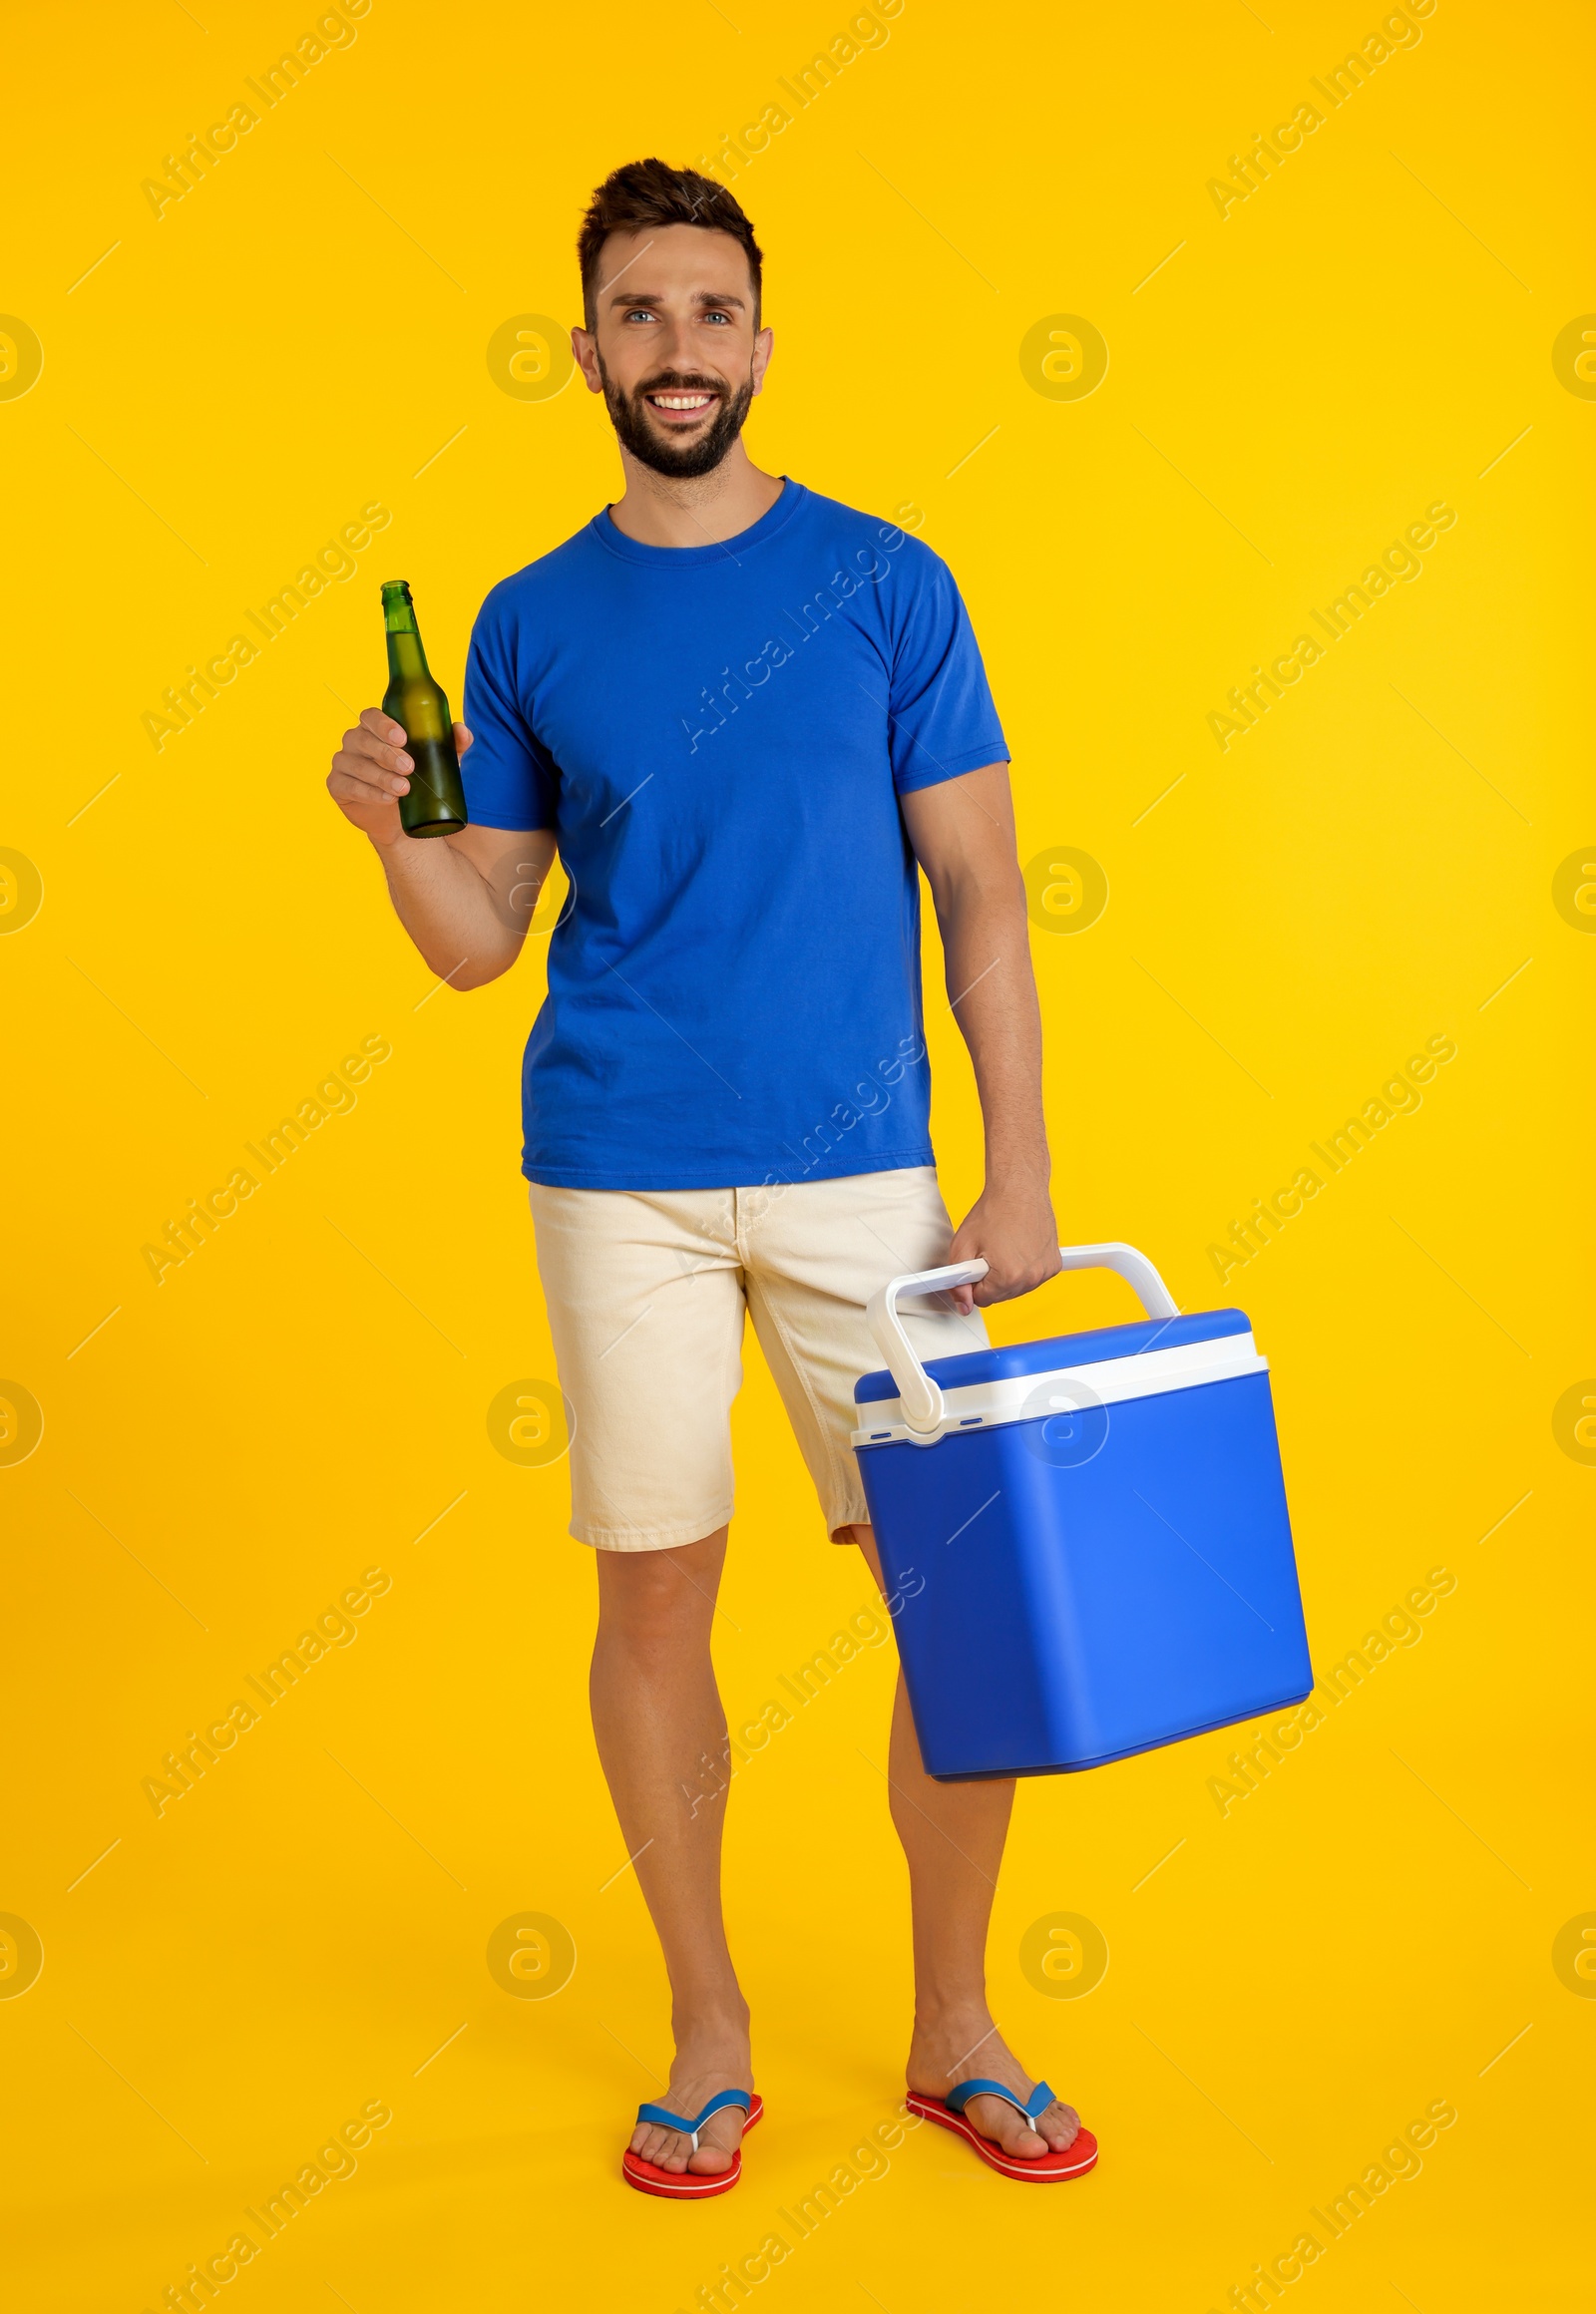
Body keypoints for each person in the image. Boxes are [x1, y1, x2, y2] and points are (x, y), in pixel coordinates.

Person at [327, 157, 1092, 2194]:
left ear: (761, 339)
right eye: (639, 316)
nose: (679, 350)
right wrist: (388, 830)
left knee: (961, 1604)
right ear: (584, 350)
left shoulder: (885, 580)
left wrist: (1017, 1173)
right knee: (656, 1586)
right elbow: (484, 935)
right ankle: (708, 2022)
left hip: (861, 1171)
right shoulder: (518, 622)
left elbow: (986, 902)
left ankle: (953, 2026)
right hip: (622, 1172)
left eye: (712, 312)